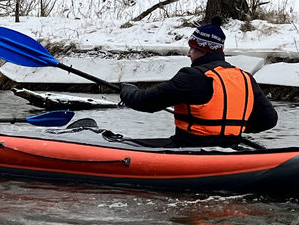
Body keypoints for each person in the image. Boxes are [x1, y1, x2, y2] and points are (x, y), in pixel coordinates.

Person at [118, 19, 277, 146]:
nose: (188, 54)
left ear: (202, 50)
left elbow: (146, 102)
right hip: (230, 148)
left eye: (191, 49)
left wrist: (127, 90)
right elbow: (268, 120)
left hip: (189, 149)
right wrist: (233, 128)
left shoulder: (191, 76)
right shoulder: (245, 77)